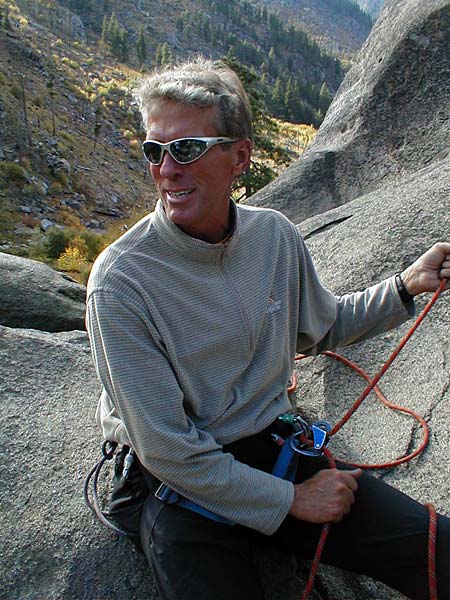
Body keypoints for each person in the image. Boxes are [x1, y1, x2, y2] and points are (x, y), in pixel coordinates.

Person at [86, 57, 450, 600]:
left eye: (185, 149)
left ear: (240, 157)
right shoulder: (121, 282)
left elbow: (321, 327)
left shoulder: (273, 236)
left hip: (270, 446)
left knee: (439, 551)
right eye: (154, 150)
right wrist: (291, 502)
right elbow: (166, 448)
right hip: (178, 484)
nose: (166, 169)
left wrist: (405, 286)